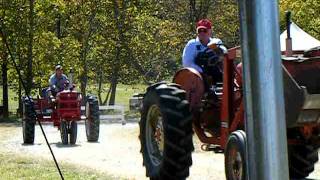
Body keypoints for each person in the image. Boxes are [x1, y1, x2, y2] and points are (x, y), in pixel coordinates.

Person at [182, 19, 227, 83]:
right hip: (198, 78)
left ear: (210, 31)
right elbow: (187, 64)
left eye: (204, 30)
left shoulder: (217, 42)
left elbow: (225, 52)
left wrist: (217, 49)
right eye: (199, 30)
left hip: (217, 75)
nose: (202, 33)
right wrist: (202, 72)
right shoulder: (192, 44)